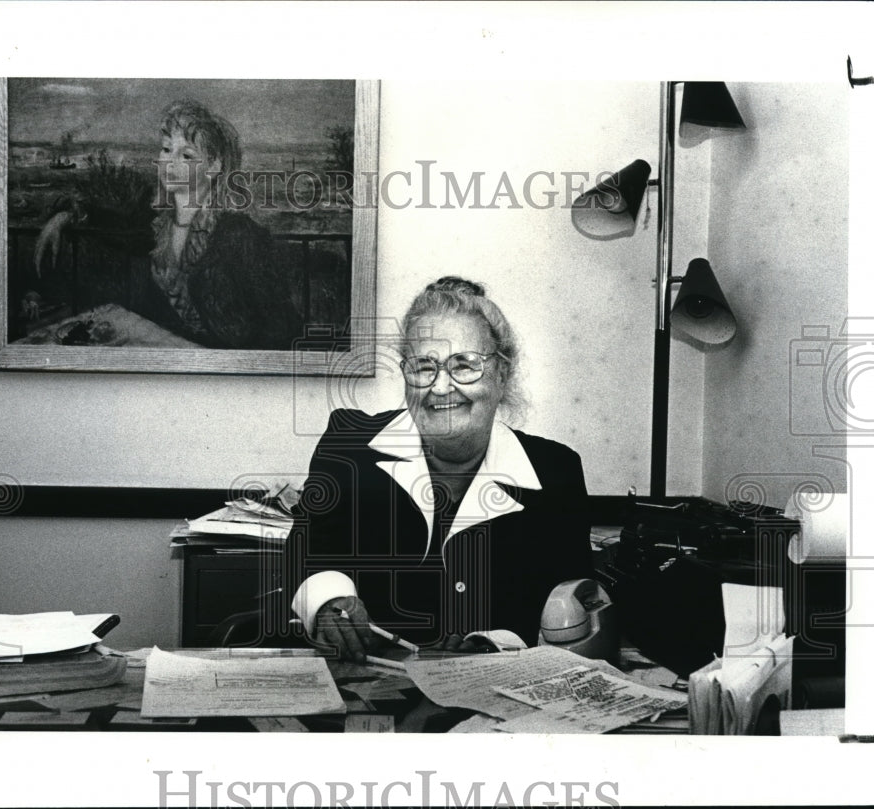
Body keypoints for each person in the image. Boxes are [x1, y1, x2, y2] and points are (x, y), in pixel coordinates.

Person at [279, 276, 594, 661]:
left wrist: (491, 644)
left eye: (464, 365)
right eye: (424, 367)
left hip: (498, 691)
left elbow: (569, 606)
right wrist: (328, 601)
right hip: (374, 684)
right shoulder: (351, 445)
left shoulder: (554, 472)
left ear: (501, 374)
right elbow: (305, 552)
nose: (441, 387)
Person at [30, 100, 303, 349]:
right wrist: (65, 215)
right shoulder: (156, 223)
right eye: (166, 149)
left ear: (214, 166)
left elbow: (281, 326)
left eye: (186, 155)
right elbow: (107, 220)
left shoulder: (239, 234)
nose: (170, 163)